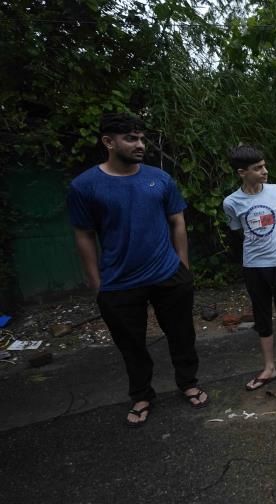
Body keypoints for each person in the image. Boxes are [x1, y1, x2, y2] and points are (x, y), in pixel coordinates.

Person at [67, 113, 209, 428]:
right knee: (131, 344)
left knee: (182, 335)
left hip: (168, 274)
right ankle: (142, 394)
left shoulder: (159, 179)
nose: (140, 144)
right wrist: (96, 283)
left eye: (141, 138)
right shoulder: (84, 186)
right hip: (119, 282)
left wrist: (182, 267)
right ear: (108, 141)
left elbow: (177, 221)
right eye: (131, 138)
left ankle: (188, 382)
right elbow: (83, 235)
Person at [223, 145, 276, 396]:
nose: (265, 171)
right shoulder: (231, 202)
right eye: (258, 168)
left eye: (264, 165)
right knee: (262, 318)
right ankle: (269, 368)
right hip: (253, 266)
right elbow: (238, 230)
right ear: (242, 172)